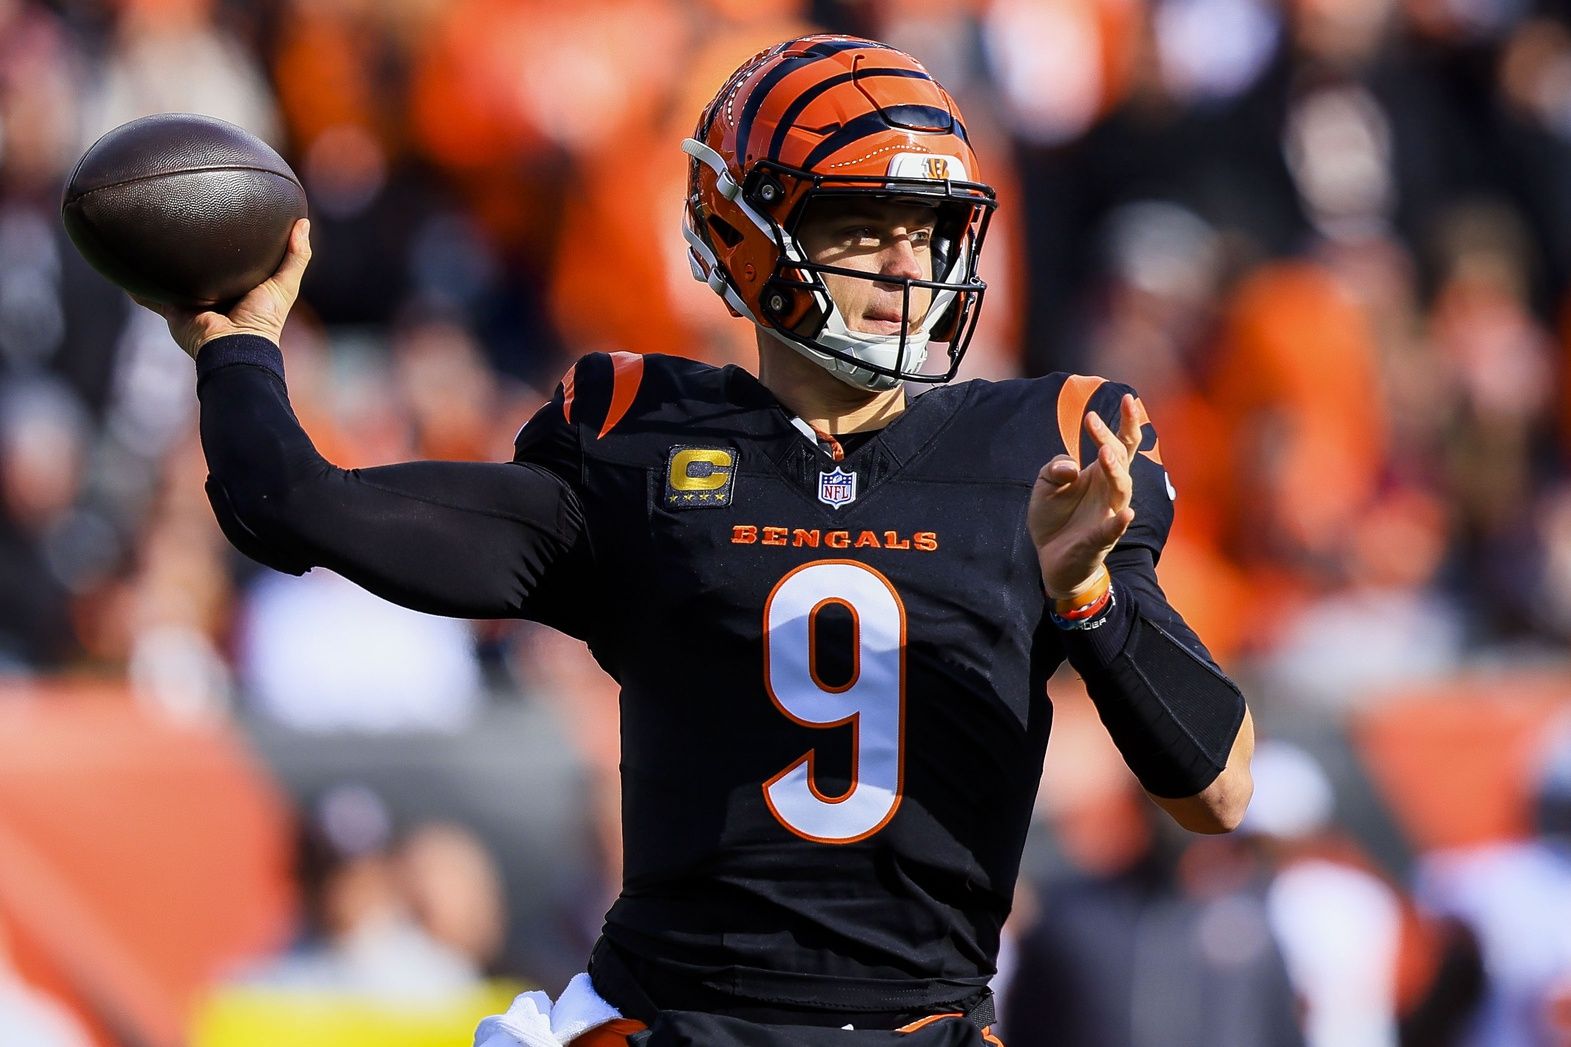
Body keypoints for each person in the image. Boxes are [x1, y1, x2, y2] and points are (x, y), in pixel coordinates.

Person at [135, 34, 1254, 1047]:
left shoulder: (1042, 457)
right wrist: (239, 352)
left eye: (925, 229)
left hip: (919, 1028)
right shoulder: (640, 449)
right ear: (742, 227)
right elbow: (294, 504)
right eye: (861, 225)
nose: (906, 265)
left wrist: (1087, 593)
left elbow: (1215, 794)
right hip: (667, 1021)